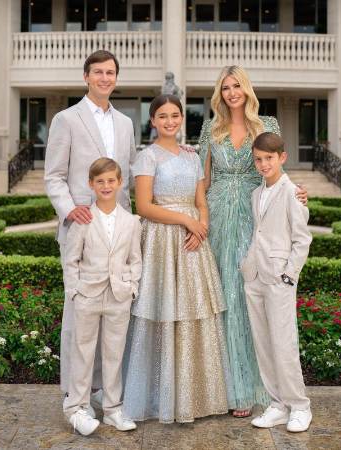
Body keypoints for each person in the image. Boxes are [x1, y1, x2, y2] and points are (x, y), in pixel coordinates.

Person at [198, 65, 307, 417]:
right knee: (222, 297)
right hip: (217, 217)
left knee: (249, 303)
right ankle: (223, 389)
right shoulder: (209, 128)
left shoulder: (268, 125)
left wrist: (297, 193)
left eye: (237, 86)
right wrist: (199, 218)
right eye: (225, 87)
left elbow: (277, 167)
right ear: (220, 93)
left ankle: (250, 388)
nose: (231, 93)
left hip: (256, 213)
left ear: (247, 90)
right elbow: (203, 177)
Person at [122, 94, 233, 423]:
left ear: (181, 119)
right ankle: (159, 396)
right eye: (162, 116)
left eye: (175, 115)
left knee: (193, 312)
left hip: (192, 243)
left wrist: (202, 227)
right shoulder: (147, 157)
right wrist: (186, 221)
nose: (169, 121)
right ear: (152, 121)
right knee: (162, 311)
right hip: (161, 240)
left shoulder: (193, 157)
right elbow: (144, 206)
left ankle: (195, 396)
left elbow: (201, 200)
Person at [44, 50, 136, 395]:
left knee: (113, 313)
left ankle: (104, 392)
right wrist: (70, 210)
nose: (104, 78)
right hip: (81, 226)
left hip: (117, 231)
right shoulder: (66, 119)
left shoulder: (125, 124)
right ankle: (75, 392)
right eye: (97, 72)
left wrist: (180, 155)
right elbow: (54, 176)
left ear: (115, 77)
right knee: (78, 317)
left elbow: (129, 172)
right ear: (86, 76)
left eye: (110, 72)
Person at [63, 158, 142, 436]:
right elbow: (70, 259)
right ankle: (77, 408)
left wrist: (131, 287)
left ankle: (112, 409)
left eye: (111, 181)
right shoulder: (84, 219)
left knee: (114, 354)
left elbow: (135, 259)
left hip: (118, 296)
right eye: (100, 181)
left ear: (120, 183)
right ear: (91, 184)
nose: (106, 186)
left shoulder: (131, 222)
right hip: (88, 295)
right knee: (83, 351)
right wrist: (75, 290)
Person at [241, 132, 312, 432]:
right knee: (264, 344)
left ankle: (300, 406)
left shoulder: (292, 192)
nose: (263, 164)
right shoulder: (256, 194)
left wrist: (288, 275)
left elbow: (302, 239)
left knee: (283, 344)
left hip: (279, 278)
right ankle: (277, 404)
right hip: (255, 276)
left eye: (268, 158)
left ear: (282, 157)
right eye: (258, 159)